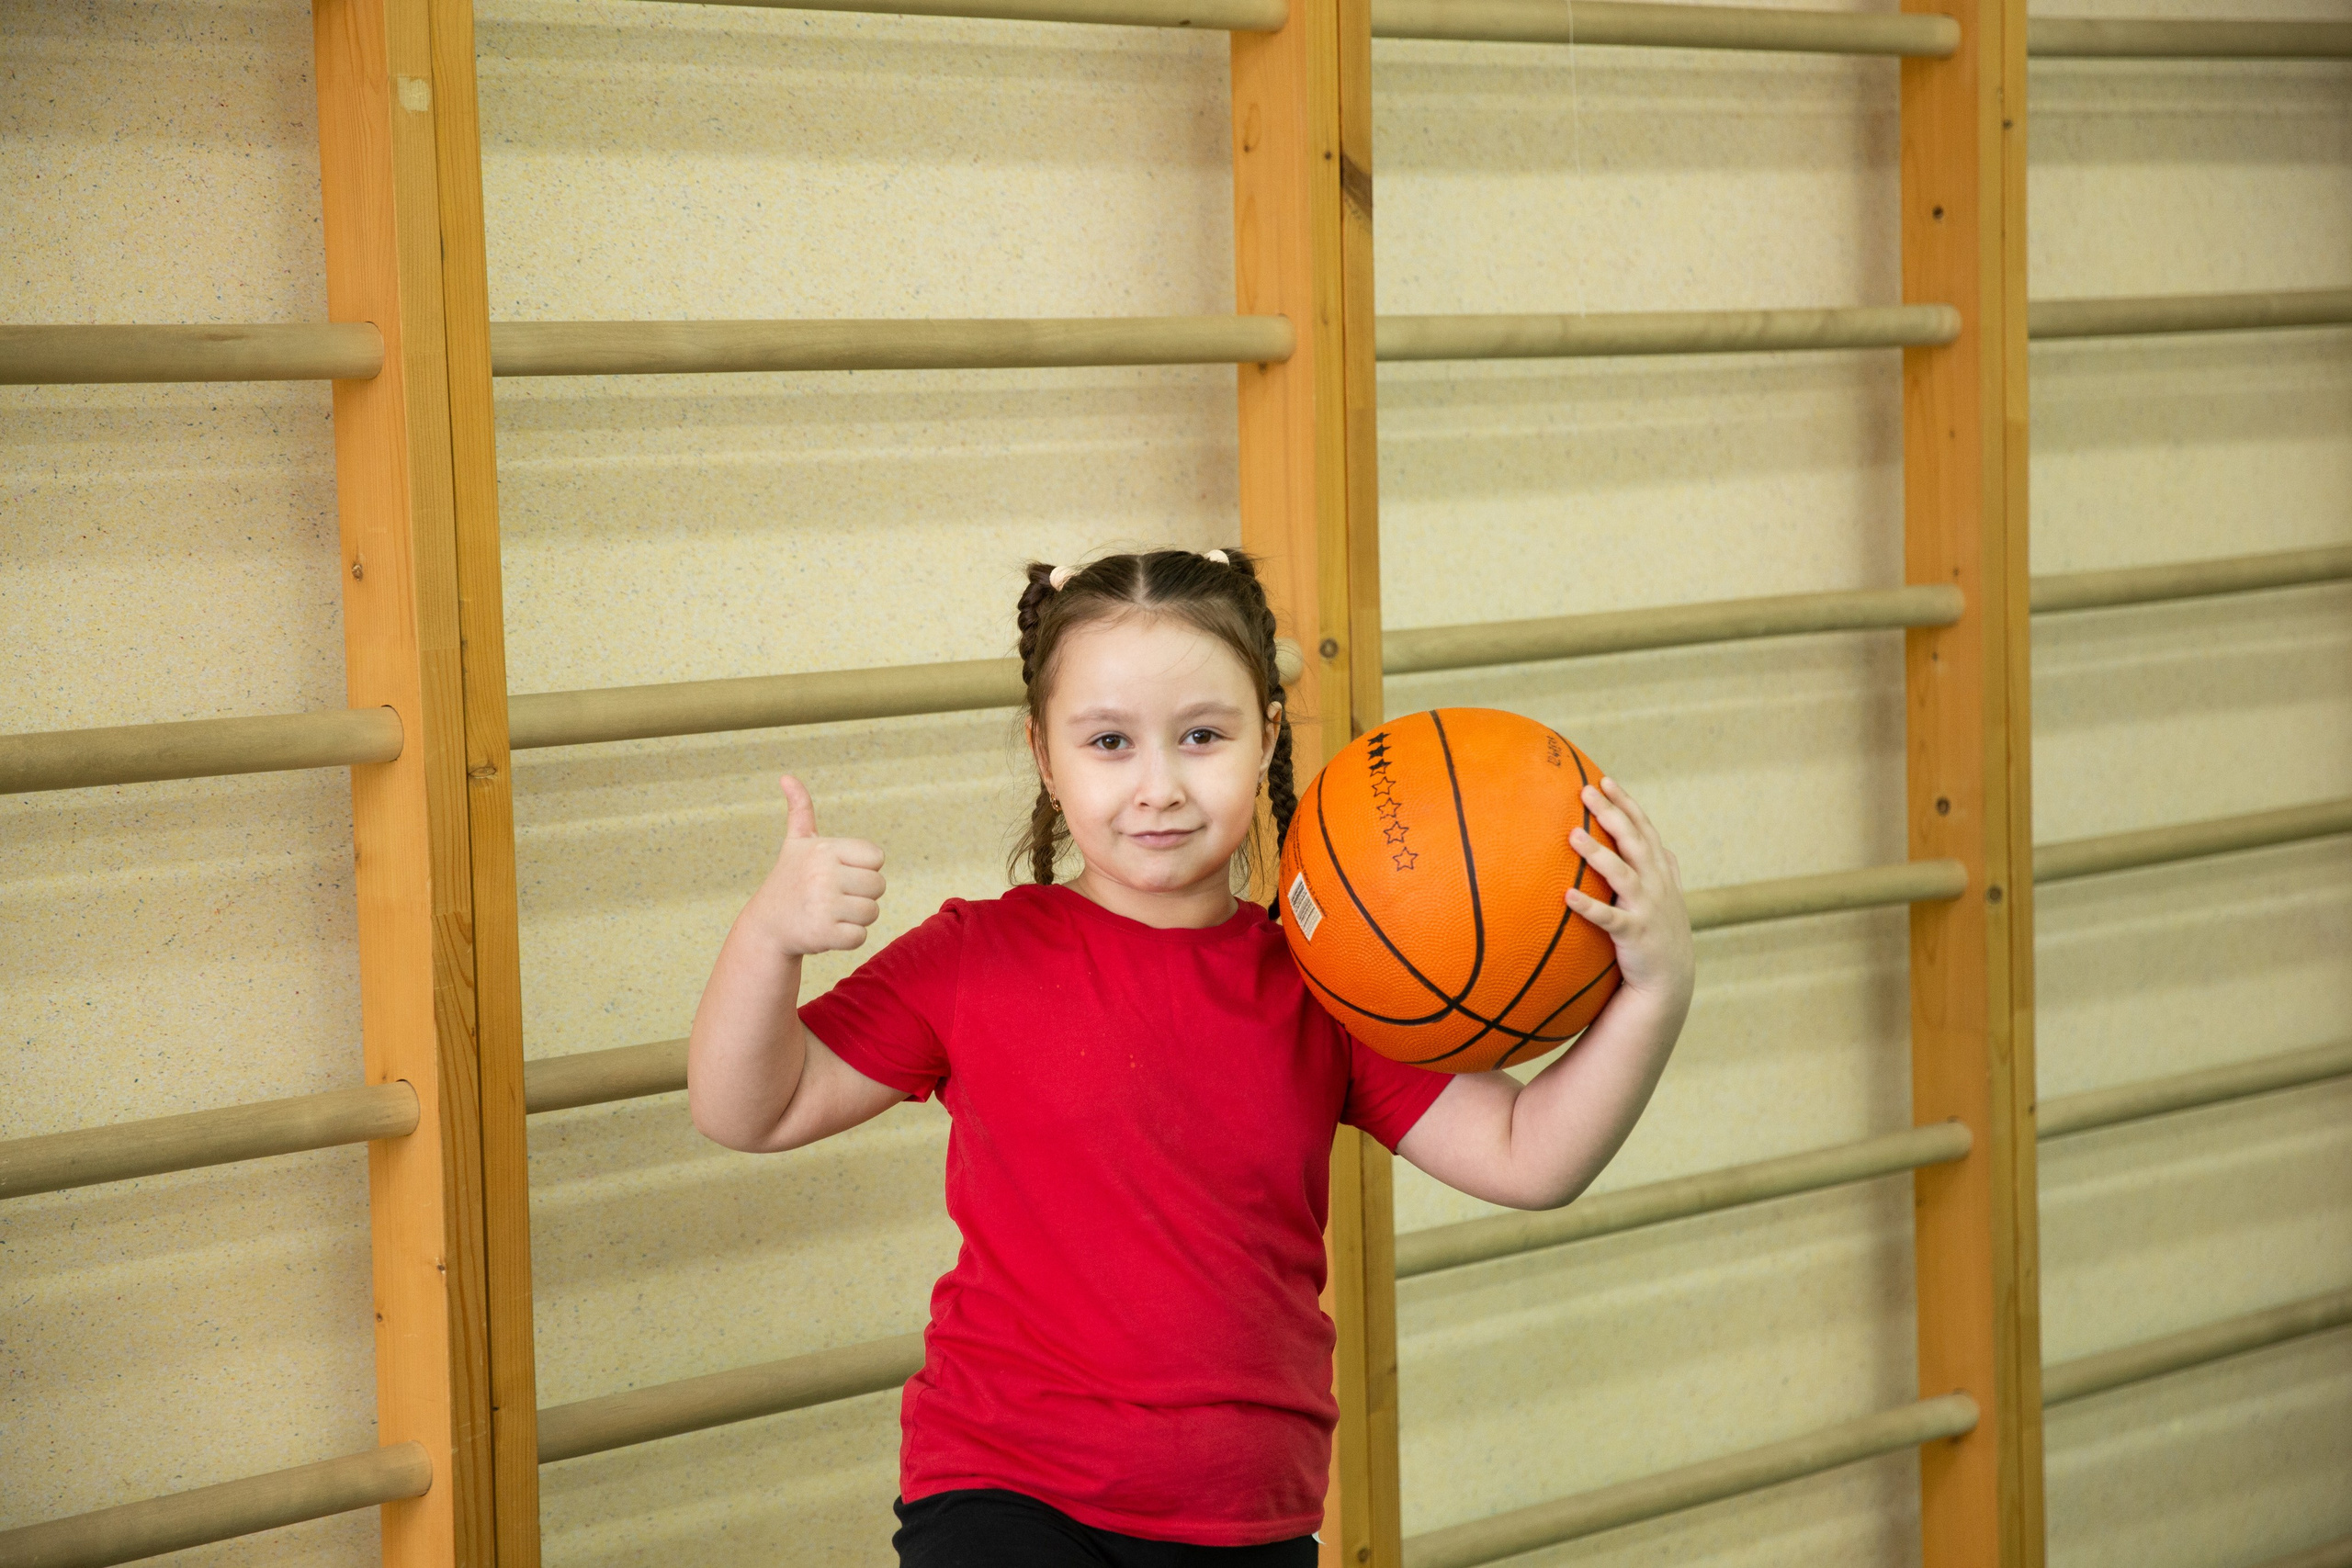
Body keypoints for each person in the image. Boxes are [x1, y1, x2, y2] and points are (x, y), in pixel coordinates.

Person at [687, 547, 1695, 1567]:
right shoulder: (970, 959)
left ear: (1266, 736)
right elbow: (751, 1110)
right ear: (1045, 754)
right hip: (1004, 1490)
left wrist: (1654, 990)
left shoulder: (1331, 983)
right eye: (1110, 742)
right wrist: (767, 939)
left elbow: (1530, 1157)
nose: (1158, 786)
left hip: (1245, 1516)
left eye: (1202, 736)